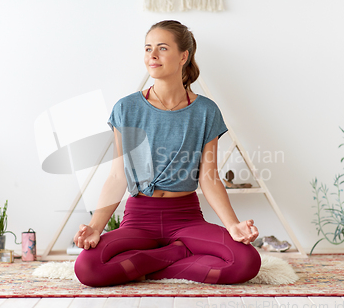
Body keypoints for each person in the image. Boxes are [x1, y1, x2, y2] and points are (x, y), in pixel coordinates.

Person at [73, 20, 261, 287]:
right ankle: (177, 255)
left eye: (162, 48)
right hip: (139, 219)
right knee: (87, 269)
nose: (152, 55)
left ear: (184, 56)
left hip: (186, 218)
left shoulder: (206, 111)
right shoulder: (126, 108)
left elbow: (209, 178)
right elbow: (117, 177)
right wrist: (95, 227)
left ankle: (148, 263)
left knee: (246, 262)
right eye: (148, 48)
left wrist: (233, 225)